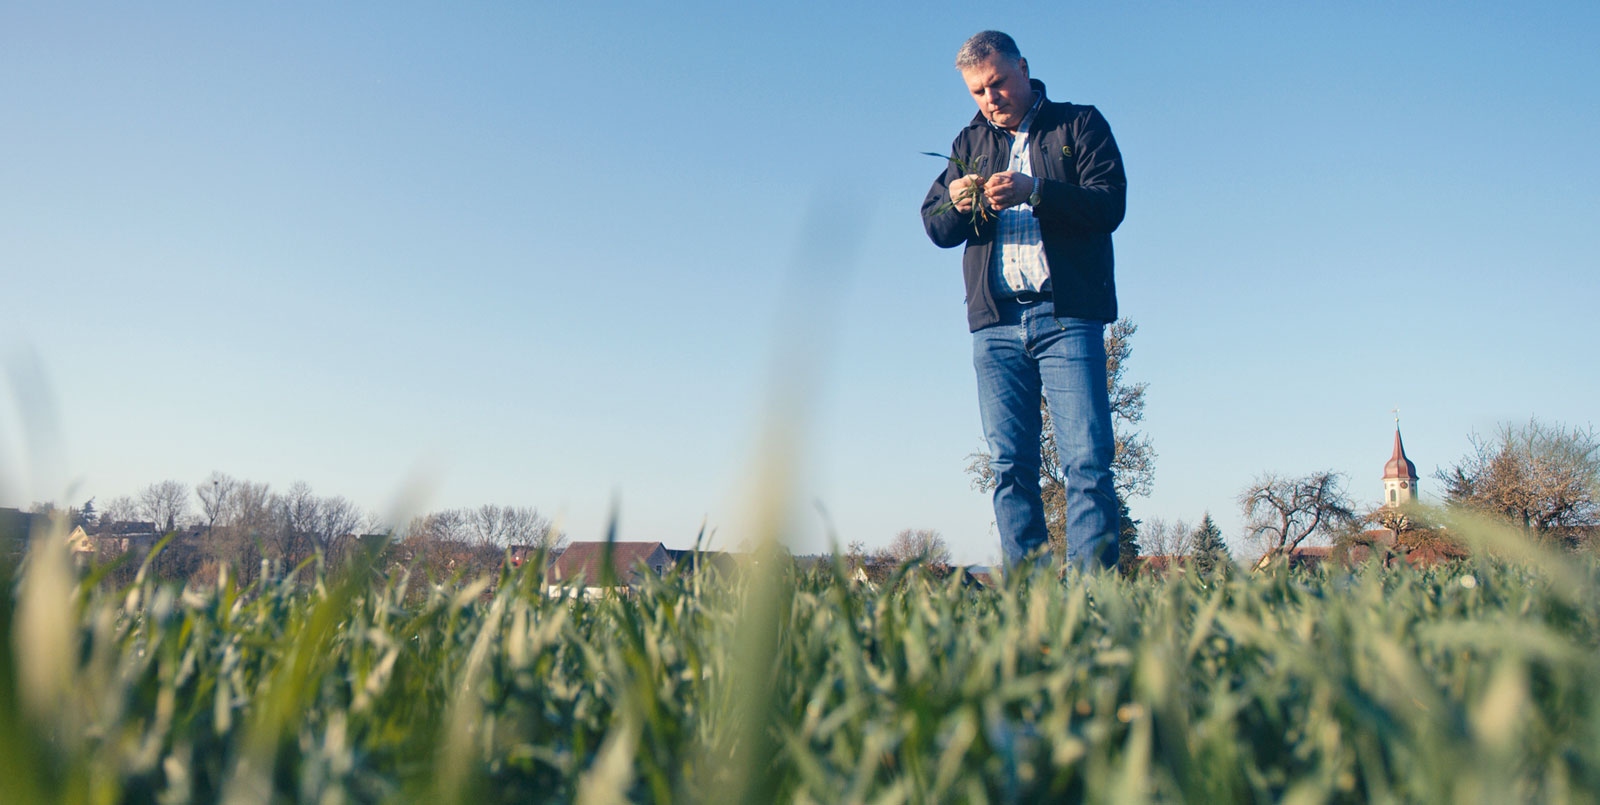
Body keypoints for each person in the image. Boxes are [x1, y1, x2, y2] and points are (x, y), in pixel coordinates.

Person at [921, 30, 1127, 570]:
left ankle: (1090, 606)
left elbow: (1109, 205)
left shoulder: (1079, 124)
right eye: (977, 92)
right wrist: (957, 202)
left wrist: (1036, 192)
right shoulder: (968, 144)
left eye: (998, 83)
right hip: (995, 325)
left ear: (1024, 69)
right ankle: (1030, 610)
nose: (991, 98)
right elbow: (936, 226)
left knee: (1087, 462)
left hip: (1067, 316)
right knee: (1010, 466)